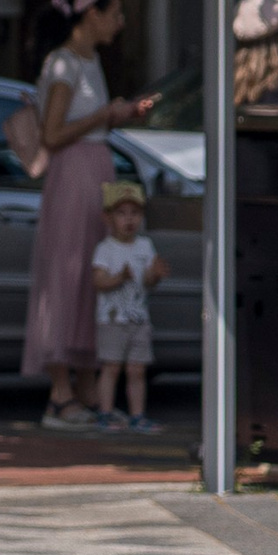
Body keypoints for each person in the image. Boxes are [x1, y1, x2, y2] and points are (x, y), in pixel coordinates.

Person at [23, 0, 148, 431]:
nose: (120, 23)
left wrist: (118, 116)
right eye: (115, 14)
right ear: (92, 15)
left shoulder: (87, 60)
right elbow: (52, 135)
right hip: (73, 174)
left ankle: (86, 386)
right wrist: (105, 115)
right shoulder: (65, 64)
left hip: (93, 173)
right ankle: (60, 391)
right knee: (67, 274)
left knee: (92, 274)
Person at [91, 181, 168, 435]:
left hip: (139, 320)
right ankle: (104, 412)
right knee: (111, 367)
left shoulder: (145, 246)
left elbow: (147, 281)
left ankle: (137, 415)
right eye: (122, 213)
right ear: (108, 217)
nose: (129, 219)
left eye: (134, 213)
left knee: (137, 369)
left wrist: (155, 275)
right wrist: (118, 278)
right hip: (112, 320)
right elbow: (98, 281)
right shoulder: (105, 249)